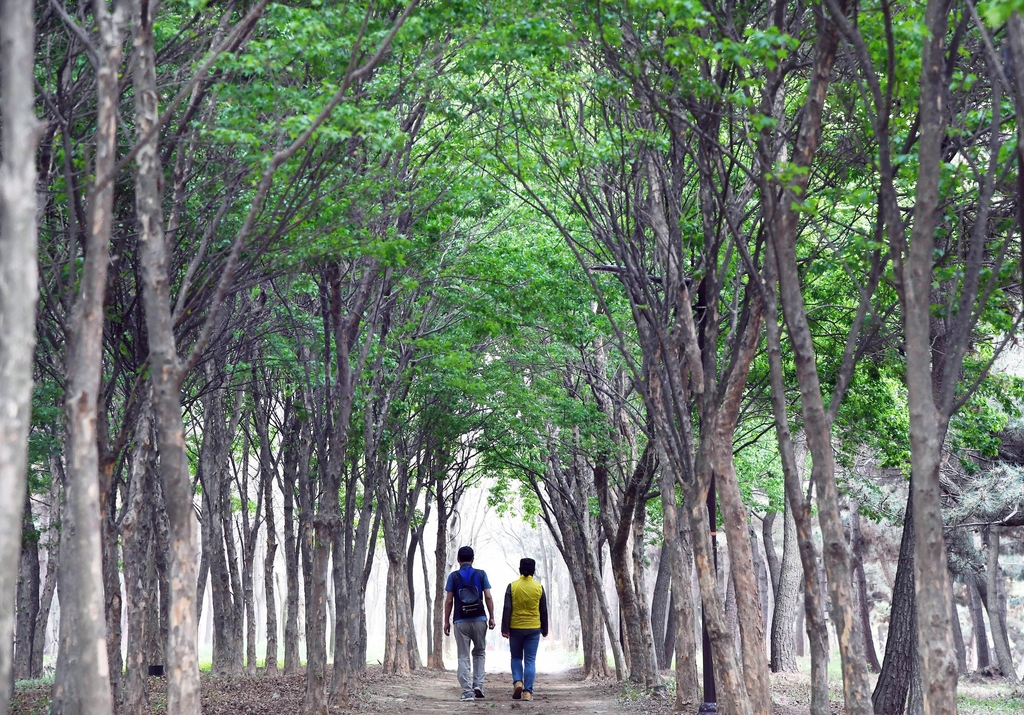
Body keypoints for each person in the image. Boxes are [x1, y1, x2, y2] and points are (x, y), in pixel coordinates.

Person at [444, 545, 496, 701]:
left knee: (463, 656)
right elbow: (487, 596)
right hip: (480, 619)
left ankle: (467, 692)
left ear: (458, 560)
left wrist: (446, 621)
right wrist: (492, 616)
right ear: (473, 559)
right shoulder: (481, 575)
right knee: (479, 652)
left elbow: (448, 601)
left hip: (460, 621)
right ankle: (478, 685)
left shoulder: (453, 577)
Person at [500, 557, 549, 701]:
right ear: (533, 571)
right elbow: (543, 610)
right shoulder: (539, 588)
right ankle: (527, 692)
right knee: (530, 660)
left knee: (516, 657)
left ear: (520, 569)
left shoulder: (512, 586)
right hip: (533, 628)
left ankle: (517, 682)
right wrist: (544, 628)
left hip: (515, 628)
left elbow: (507, 608)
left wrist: (505, 628)